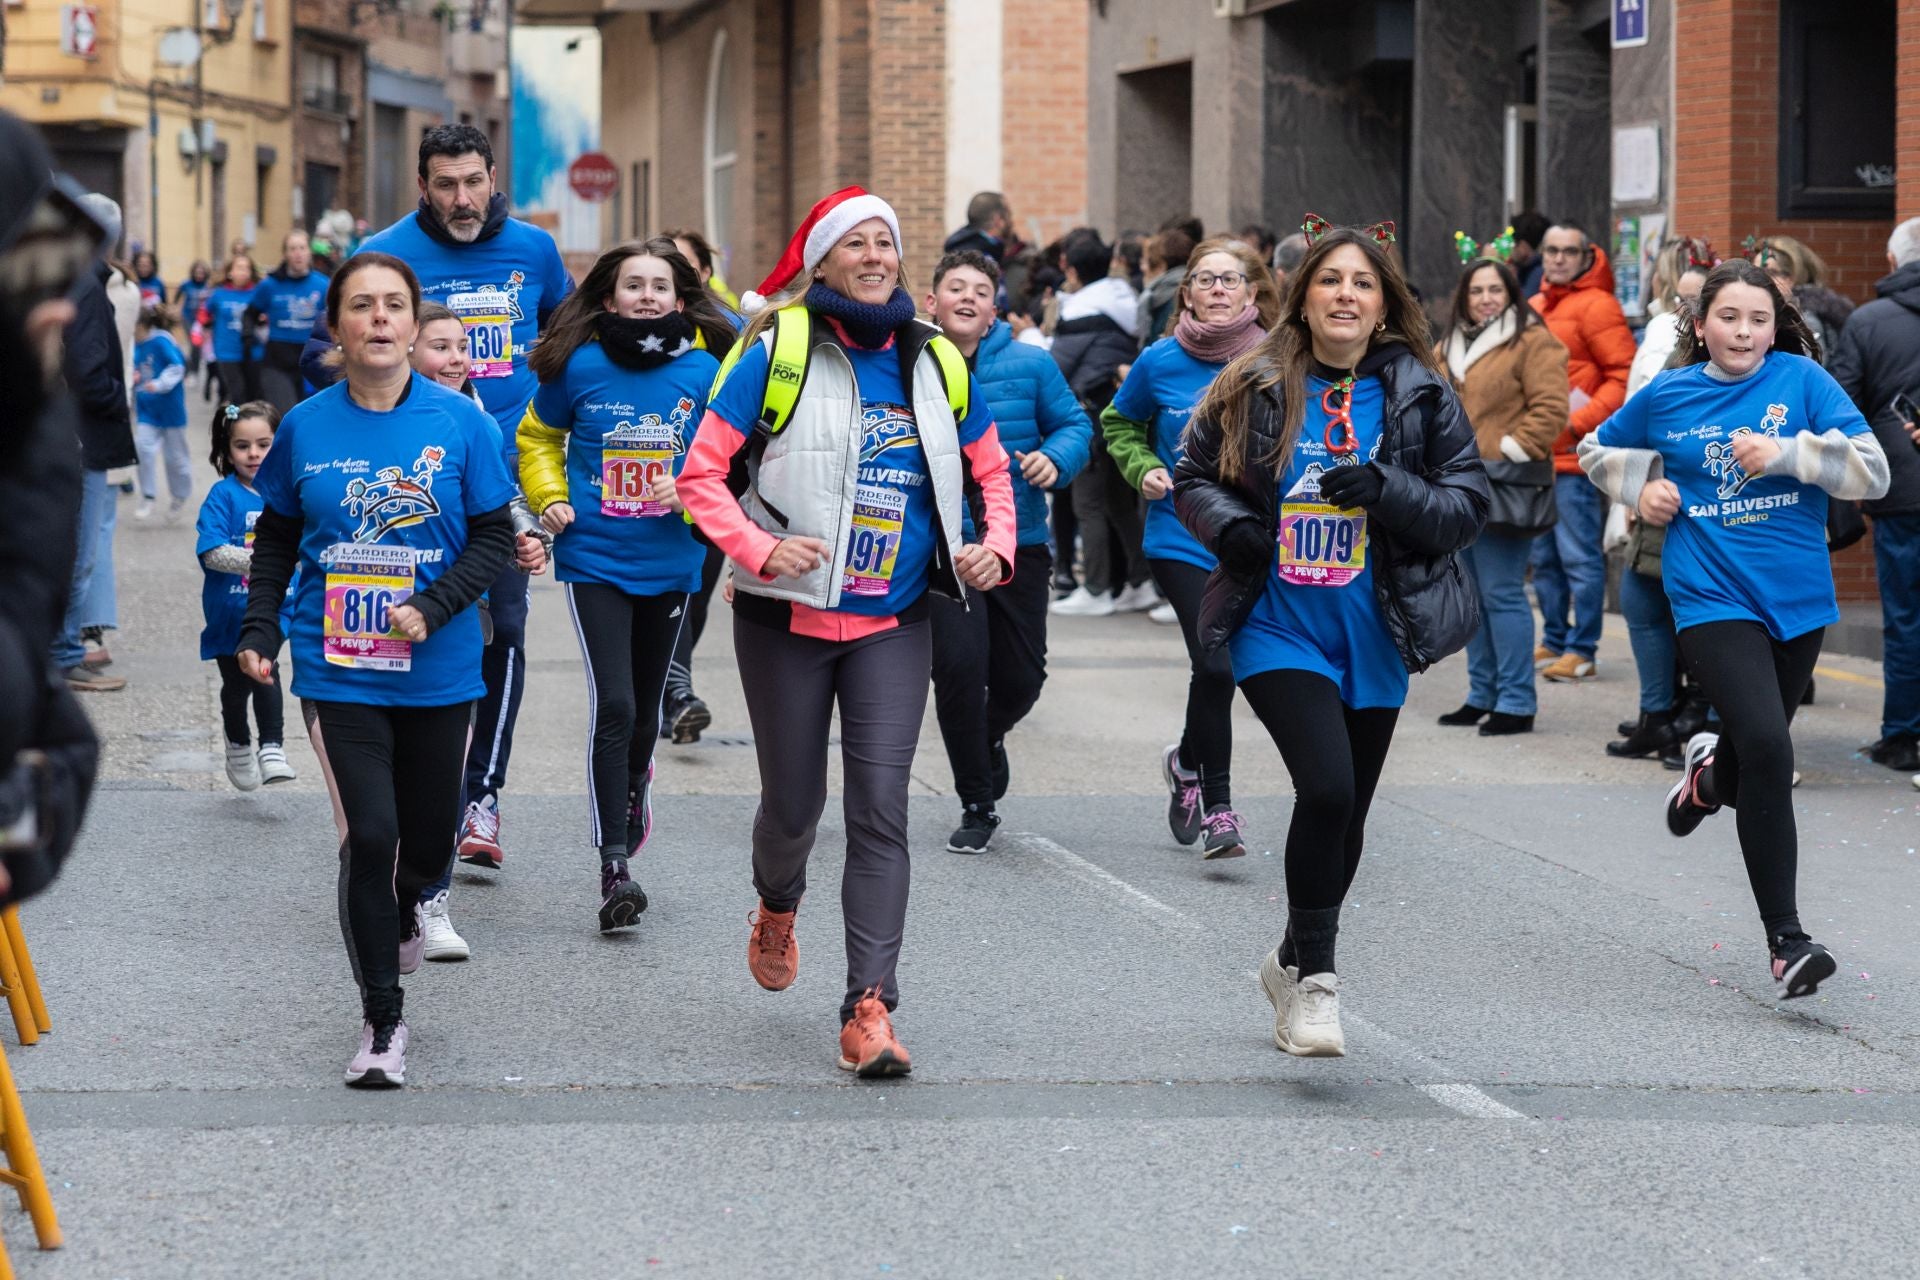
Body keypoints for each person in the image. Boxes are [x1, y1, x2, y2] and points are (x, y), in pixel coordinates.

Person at [677, 187, 1017, 1078]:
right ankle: (776, 903)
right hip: (783, 618)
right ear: (821, 262)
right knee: (794, 809)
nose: (874, 256)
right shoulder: (777, 351)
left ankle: (870, 1007)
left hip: (893, 620)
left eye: (886, 243)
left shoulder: (937, 358)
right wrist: (759, 546)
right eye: (854, 244)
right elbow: (700, 475)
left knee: (880, 811)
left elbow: (992, 469)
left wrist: (995, 549)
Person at [1174, 220, 1487, 1057]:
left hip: (1376, 627)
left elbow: (1467, 507)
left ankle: (1288, 957)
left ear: (1384, 305)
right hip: (1278, 623)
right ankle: (1318, 984)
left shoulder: (1421, 391)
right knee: (1329, 790)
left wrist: (1387, 489)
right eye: (1330, 281)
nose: (1346, 294)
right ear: (1303, 298)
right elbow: (1195, 477)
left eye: (1363, 283)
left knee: (1348, 817)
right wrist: (1231, 526)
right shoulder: (1256, 382)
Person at [236, 252, 517, 1087]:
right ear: (338, 326)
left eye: (396, 304)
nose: (382, 319)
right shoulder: (305, 425)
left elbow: (496, 539)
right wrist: (262, 624)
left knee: (425, 848)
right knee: (371, 836)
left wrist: (433, 605)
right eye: (364, 306)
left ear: (411, 320)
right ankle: (383, 1023)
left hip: (439, 668)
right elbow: (280, 533)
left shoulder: (462, 423)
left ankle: (408, 903)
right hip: (339, 666)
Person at [1580, 259, 1887, 999]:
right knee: (1770, 747)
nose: (1743, 331)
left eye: (1757, 318)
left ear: (1776, 324)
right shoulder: (1671, 394)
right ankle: (1788, 941)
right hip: (1710, 596)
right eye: (1728, 317)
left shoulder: (1803, 383)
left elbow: (1874, 471)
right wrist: (1641, 487)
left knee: (1752, 752)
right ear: (1700, 324)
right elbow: (1596, 449)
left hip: (1798, 598)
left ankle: (1709, 780)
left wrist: (1789, 454)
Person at [304, 123, 574, 874]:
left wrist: (558, 424)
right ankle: (400, 803)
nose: (462, 199)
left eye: (474, 182)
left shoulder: (535, 250)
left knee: (503, 631)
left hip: (501, 474)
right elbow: (336, 349)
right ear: (421, 185)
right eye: (445, 185)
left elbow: (569, 339)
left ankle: (481, 794)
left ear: (495, 176)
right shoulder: (388, 255)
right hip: (407, 477)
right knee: (403, 628)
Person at [518, 238, 732, 929]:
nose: (646, 296)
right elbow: (538, 437)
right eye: (633, 285)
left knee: (645, 713)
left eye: (660, 286)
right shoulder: (577, 366)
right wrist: (550, 498)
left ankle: (636, 786)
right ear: (609, 297)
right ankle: (615, 864)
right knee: (614, 705)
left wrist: (692, 493)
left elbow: (726, 459)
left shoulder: (704, 370)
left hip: (672, 562)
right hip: (596, 557)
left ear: (680, 298)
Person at [1104, 237, 1279, 857]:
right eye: (1205, 280)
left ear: (1252, 294)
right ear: (1187, 294)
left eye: (1230, 280)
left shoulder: (1277, 361)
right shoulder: (1159, 361)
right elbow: (1118, 423)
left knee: (1219, 670)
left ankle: (1185, 761)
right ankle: (1220, 809)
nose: (1218, 290)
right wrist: (1141, 464)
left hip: (1252, 538)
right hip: (1179, 532)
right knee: (1214, 664)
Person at [923, 249, 1091, 852]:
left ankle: (987, 737)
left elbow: (1076, 426)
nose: (967, 297)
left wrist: (1057, 457)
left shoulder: (1029, 364)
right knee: (961, 671)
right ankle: (976, 801)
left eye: (980, 290)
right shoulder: (907, 364)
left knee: (1022, 678)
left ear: (996, 306)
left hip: (1019, 539)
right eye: (955, 287)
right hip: (942, 549)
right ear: (931, 300)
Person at [400, 302, 548, 962]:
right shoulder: (376, 419)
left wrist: (527, 534)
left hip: (473, 591)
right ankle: (394, 870)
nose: (457, 357)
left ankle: (473, 807)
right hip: (396, 599)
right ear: (408, 353)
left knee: (487, 675)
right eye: (440, 347)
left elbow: (501, 495)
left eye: (463, 346)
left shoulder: (479, 418)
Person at [0, 108, 110, 906]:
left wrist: (18, 823)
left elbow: (53, 732)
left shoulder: (33, 417)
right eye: (35, 268)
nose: (63, 305)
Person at [1435, 252, 1567, 735]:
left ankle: (1516, 700)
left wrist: (1509, 448)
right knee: (1470, 595)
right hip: (1453, 487)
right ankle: (1482, 693)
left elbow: (1552, 409)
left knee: (1502, 593)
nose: (1486, 299)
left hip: (1504, 485)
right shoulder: (1445, 345)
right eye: (1477, 291)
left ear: (1510, 294)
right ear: (1463, 298)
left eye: (1495, 290)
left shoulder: (1533, 341)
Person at [1611, 237, 1718, 762]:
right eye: (1685, 302)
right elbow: (1621, 432)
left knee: (1696, 613)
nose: (1689, 312)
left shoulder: (1776, 368)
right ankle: (1660, 714)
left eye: (1699, 302)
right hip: (1661, 497)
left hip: (1712, 512)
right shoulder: (1674, 355)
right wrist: (1635, 485)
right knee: (1641, 598)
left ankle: (1699, 716)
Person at [1830, 216, 1920, 774]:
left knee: (1906, 615)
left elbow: (1840, 409)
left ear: (1892, 261)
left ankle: (1903, 735)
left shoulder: (1867, 322)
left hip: (1900, 489)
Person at [1529, 221, 1635, 683]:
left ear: (1585, 257)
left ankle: (1582, 647)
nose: (1557, 259)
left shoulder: (1598, 305)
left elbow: (1621, 376)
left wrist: (1577, 423)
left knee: (1577, 558)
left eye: (1567, 251)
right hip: (1535, 457)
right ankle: (1554, 638)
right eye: (1551, 251)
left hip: (1573, 456)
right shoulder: (1533, 305)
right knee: (1545, 558)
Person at [658, 226, 748, 740]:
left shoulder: (730, 334)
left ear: (705, 277)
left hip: (708, 493)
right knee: (665, 595)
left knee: (692, 600)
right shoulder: (623, 331)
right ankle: (676, 694)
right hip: (640, 501)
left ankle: (671, 691)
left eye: (683, 270)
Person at [1045, 233, 1153, 616]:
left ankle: (1095, 588)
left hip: (1090, 413)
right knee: (1118, 503)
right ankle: (1141, 582)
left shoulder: (1079, 311)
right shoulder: (1127, 300)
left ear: (1072, 270)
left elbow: (1054, 367)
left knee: (1087, 503)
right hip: (1121, 412)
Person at [54, 217, 136, 694]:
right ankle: (65, 655)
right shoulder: (84, 282)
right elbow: (86, 369)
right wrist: (114, 397)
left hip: (66, 432)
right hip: (82, 435)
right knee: (79, 553)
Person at [196, 400, 296, 791]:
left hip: (274, 608)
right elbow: (213, 551)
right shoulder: (223, 496)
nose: (253, 454)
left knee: (265, 672)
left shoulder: (290, 495)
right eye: (242, 446)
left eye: (264, 444)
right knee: (236, 687)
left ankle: (272, 747)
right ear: (228, 449)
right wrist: (266, 561)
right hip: (229, 613)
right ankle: (238, 744)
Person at [245, 229, 329, 414]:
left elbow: (335, 319)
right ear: (285, 254)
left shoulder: (323, 285)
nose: (298, 253)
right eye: (292, 249)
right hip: (277, 359)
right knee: (286, 413)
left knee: (311, 415)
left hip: (312, 359)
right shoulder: (270, 285)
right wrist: (250, 339)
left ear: (309, 252)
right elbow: (249, 314)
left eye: (302, 248)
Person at [1747, 233, 1854, 362]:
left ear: (1792, 276)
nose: (1758, 279)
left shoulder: (1802, 317)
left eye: (1768, 272)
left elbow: (1810, 369)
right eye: (1756, 272)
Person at [131, 304, 192, 521]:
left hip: (171, 410)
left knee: (175, 458)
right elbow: (135, 368)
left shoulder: (161, 341)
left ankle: (179, 495)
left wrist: (158, 384)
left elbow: (177, 367)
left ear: (141, 325)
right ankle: (148, 495)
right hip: (147, 409)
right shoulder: (135, 345)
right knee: (143, 448)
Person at [203, 253, 262, 404]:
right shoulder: (219, 294)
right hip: (227, 351)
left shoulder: (257, 293)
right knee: (237, 393)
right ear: (230, 272)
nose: (243, 272)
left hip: (253, 351)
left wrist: (263, 319)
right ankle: (235, 425)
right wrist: (204, 327)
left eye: (247, 268)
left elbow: (266, 314)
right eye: (239, 268)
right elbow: (204, 313)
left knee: (253, 394)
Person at [1136, 229, 1195, 352]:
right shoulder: (1171, 293)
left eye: (1147, 261)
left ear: (1161, 265)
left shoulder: (1169, 298)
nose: (1142, 268)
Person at [944, 191, 1014, 265]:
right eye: (1009, 215)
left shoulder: (959, 250)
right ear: (998, 219)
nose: (1011, 222)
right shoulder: (981, 261)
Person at [174, 259, 214, 385]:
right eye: (197, 272)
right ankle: (191, 372)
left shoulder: (208, 286)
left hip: (202, 320)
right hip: (188, 318)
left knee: (199, 347)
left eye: (202, 272)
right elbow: (177, 296)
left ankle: (195, 370)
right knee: (194, 344)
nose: (199, 275)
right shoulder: (186, 284)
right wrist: (175, 308)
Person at [1510, 212, 1551, 300]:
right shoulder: (1528, 270)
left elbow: (1522, 306)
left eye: (1512, 242)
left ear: (1523, 246)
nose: (1509, 249)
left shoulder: (1538, 274)